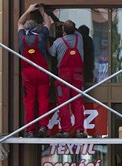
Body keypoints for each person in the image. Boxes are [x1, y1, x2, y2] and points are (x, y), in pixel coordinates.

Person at [17, 4, 53, 138]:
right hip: (42, 72)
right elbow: (48, 22)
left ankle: (30, 130)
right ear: (36, 28)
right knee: (43, 100)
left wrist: (28, 10)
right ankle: (43, 126)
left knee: (29, 102)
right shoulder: (42, 36)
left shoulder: (22, 38)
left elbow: (19, 22)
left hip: (28, 74)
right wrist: (43, 11)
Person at [49, 20, 86, 138]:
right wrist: (65, 24)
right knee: (78, 102)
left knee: (63, 103)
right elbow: (76, 30)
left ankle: (65, 130)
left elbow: (51, 53)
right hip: (78, 75)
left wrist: (46, 41)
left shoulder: (58, 42)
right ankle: (80, 130)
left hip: (64, 76)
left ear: (63, 30)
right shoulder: (79, 38)